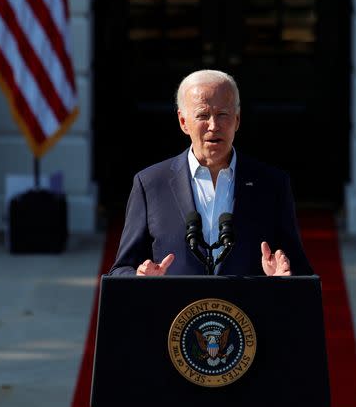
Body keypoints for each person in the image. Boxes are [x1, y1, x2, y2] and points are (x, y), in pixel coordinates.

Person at [110, 69, 312, 276]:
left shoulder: (272, 184)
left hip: (247, 308)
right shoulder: (150, 184)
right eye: (203, 116)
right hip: (174, 307)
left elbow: (299, 269)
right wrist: (140, 277)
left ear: (237, 119)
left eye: (222, 115)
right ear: (183, 122)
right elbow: (121, 270)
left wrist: (282, 279)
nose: (214, 126)